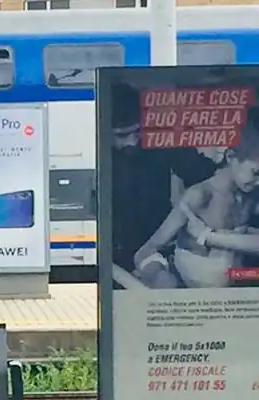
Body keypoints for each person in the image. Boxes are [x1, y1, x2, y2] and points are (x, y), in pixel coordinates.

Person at [109, 82, 218, 279]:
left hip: (158, 245)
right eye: (122, 135)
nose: (132, 141)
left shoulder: (158, 138)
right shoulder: (95, 154)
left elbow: (202, 172)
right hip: (112, 250)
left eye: (137, 131)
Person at [133, 123, 259, 289]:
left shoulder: (251, 195)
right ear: (230, 157)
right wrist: (160, 277)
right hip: (188, 293)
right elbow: (144, 252)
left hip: (231, 291)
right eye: (256, 173)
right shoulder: (200, 195)